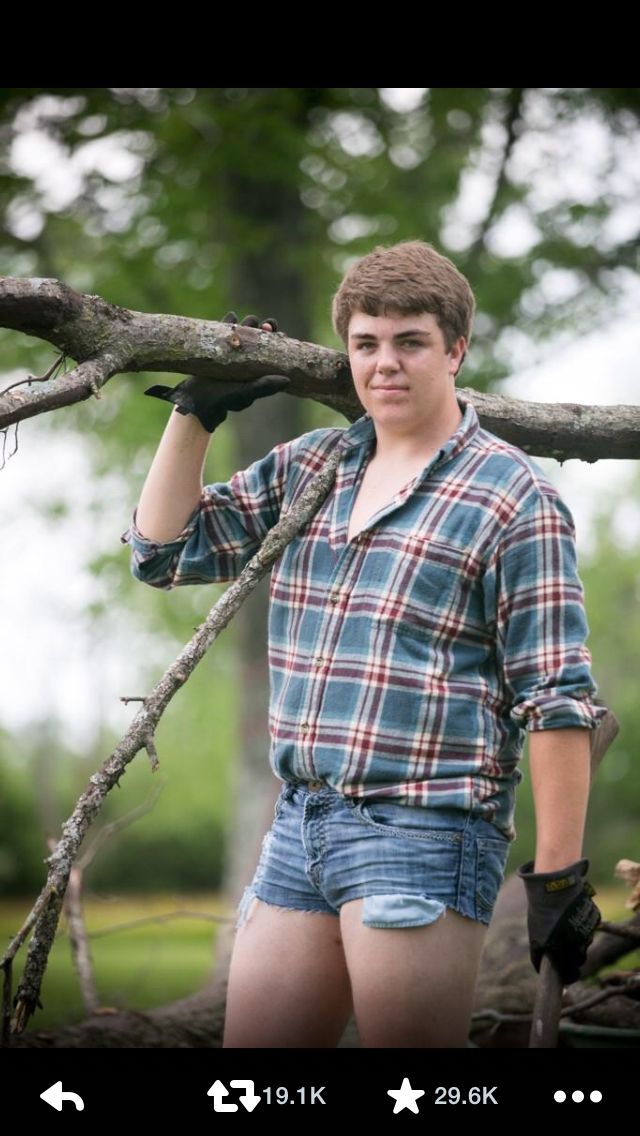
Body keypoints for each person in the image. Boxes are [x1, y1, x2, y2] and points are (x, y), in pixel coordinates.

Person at [122, 240, 606, 1048]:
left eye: (410, 341)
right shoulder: (315, 467)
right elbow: (163, 554)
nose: (385, 364)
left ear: (456, 348)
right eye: (366, 343)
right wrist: (194, 415)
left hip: (425, 832)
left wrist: (558, 874)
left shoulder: (515, 497)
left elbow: (556, 699)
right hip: (301, 824)